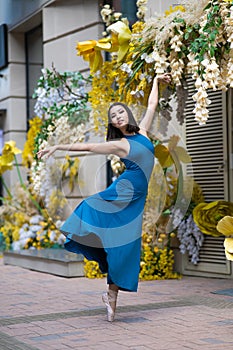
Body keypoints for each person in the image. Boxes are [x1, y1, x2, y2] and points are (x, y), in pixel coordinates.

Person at [37, 73, 171, 322]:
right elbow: (88, 147)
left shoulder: (142, 132)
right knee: (95, 213)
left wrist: (154, 81)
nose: (119, 116)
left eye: (121, 112)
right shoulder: (119, 144)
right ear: (114, 123)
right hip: (123, 192)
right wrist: (57, 147)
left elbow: (152, 104)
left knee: (126, 247)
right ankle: (81, 229)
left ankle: (111, 298)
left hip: (136, 200)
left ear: (128, 115)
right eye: (114, 116)